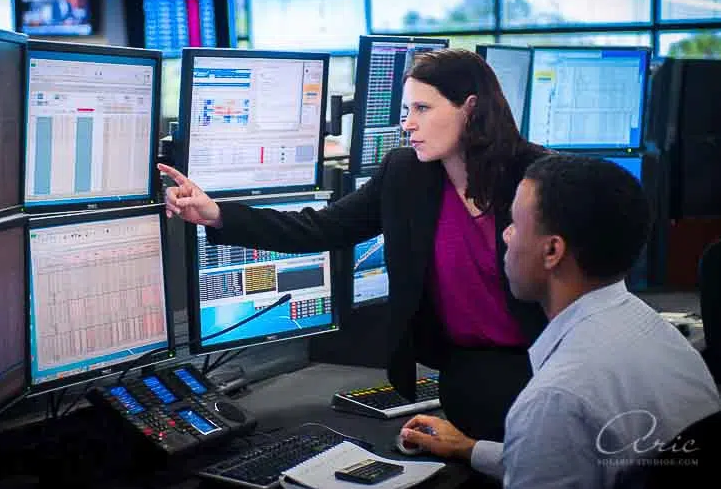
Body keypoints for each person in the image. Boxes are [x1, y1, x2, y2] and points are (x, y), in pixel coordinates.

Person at [159, 49, 549, 442]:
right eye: (405, 110)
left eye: (423, 109)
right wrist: (217, 214)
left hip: (543, 365)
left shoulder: (536, 177)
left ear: (470, 108)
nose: (408, 124)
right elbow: (321, 228)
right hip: (467, 375)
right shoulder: (407, 173)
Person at [398, 154, 721, 488]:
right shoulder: (665, 340)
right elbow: (586, 460)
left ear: (552, 251)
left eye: (514, 224)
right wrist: (470, 449)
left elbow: (559, 436)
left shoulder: (555, 400)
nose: (506, 236)